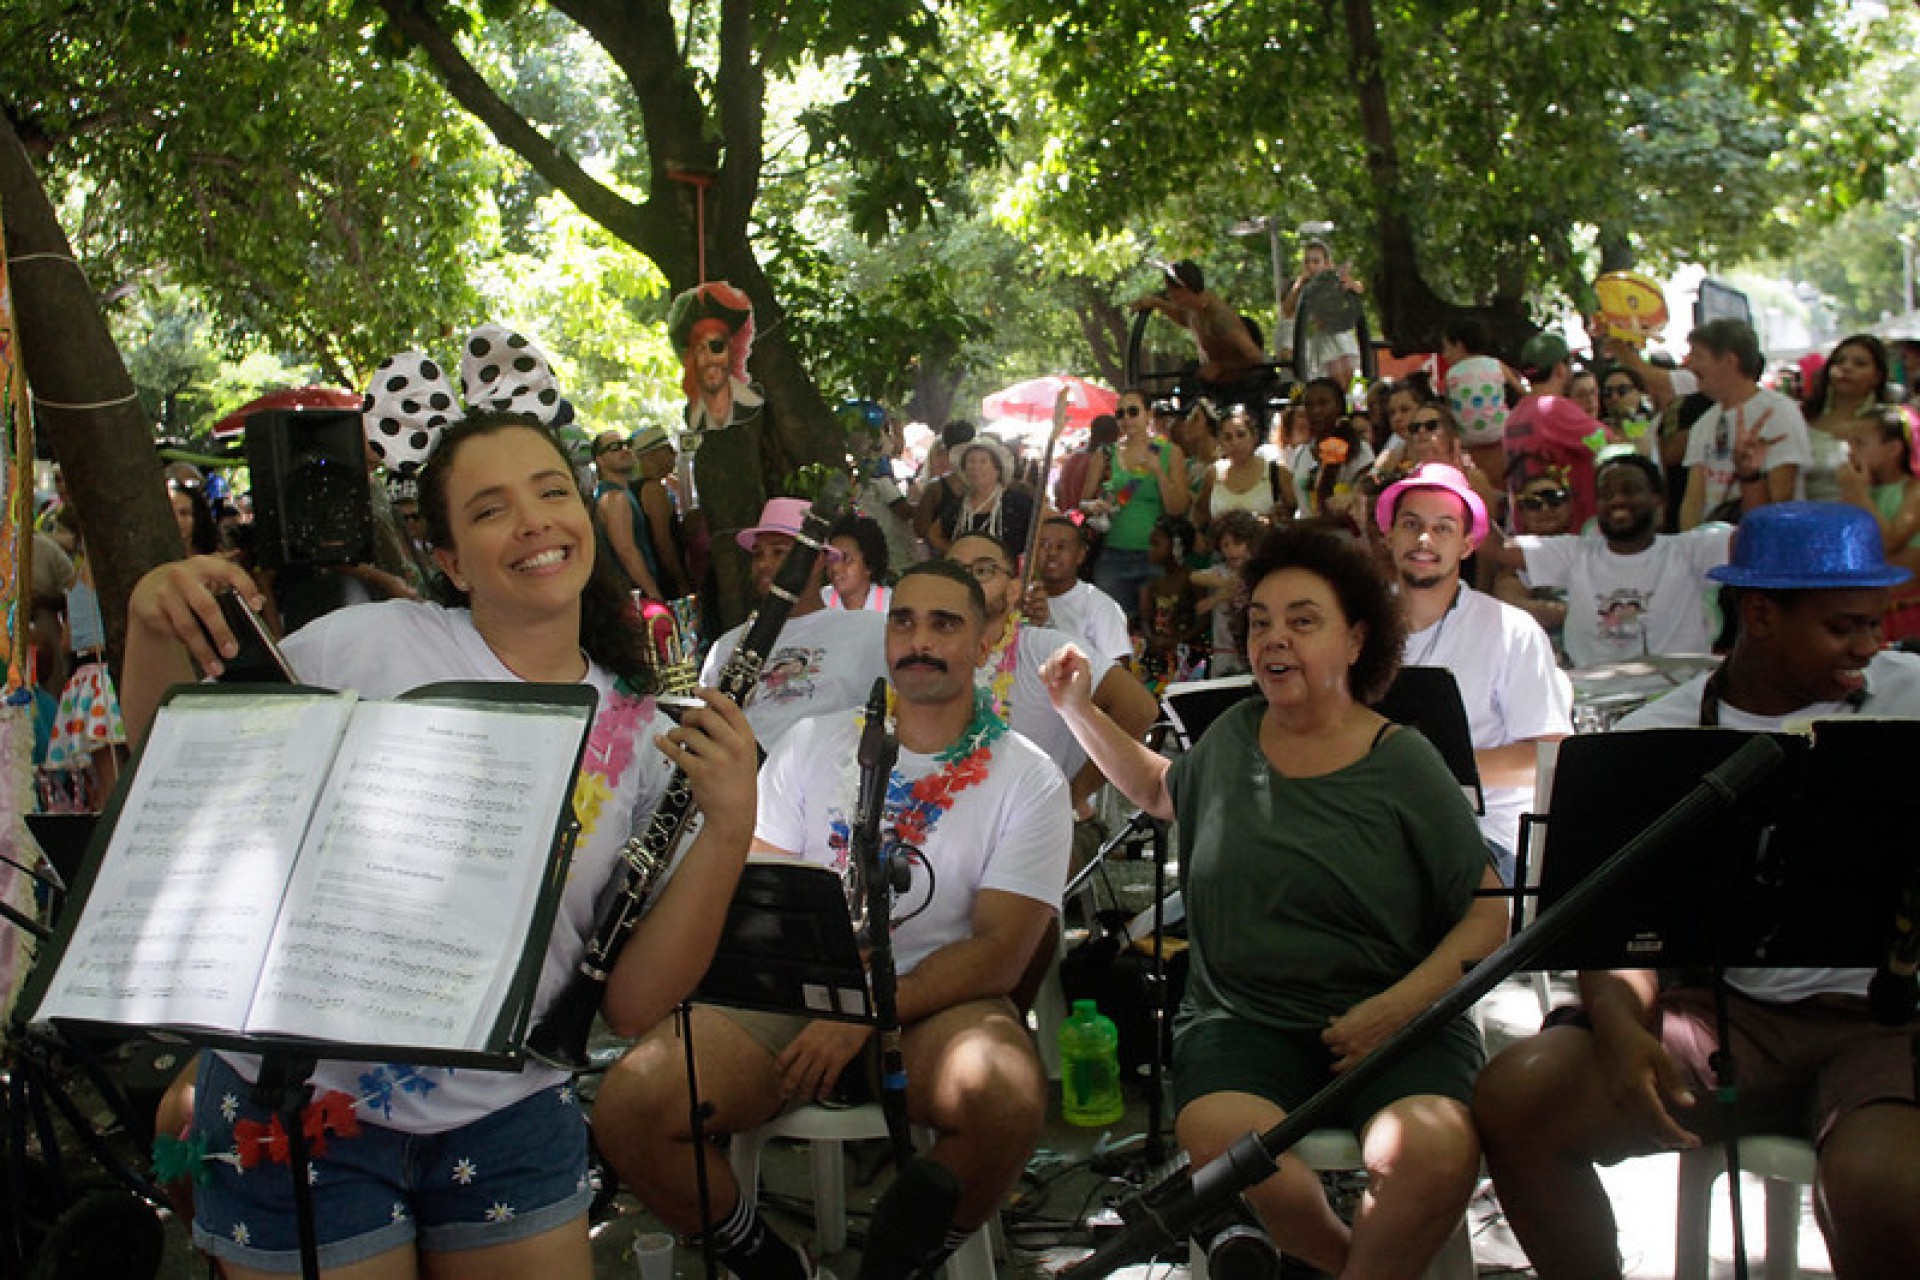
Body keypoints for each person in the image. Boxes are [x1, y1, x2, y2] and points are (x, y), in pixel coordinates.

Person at [121, 410, 758, 1279]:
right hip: (303, 1102)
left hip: (508, 1114)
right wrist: (152, 618)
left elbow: (634, 1006)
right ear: (449, 560)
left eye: (551, 492)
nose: (534, 522)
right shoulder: (368, 643)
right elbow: (179, 765)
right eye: (490, 509)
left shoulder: (644, 727)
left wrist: (729, 825)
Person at [1040, 525, 1507, 1280]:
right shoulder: (1231, 738)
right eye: (1259, 621)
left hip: (1398, 1022)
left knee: (1432, 1145)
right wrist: (1074, 710)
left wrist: (1399, 1008)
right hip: (1244, 1021)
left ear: (1357, 640)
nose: (1273, 639)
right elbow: (1163, 790)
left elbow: (1491, 913)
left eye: (1302, 619)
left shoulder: (1403, 760)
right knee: (1223, 1138)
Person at [1473, 501, 1920, 1280]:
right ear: (1759, 614)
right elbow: (1614, 926)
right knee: (1519, 1095)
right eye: (1844, 627)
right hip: (1729, 1019)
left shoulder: (1913, 698)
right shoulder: (1660, 733)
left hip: (1887, 1026)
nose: (1869, 646)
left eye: (1876, 624)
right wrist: (1620, 1030)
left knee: (1884, 1188)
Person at [595, 560, 1072, 1280]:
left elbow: (1002, 954)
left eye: (945, 623)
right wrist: (823, 998)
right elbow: (763, 896)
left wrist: (865, 1012)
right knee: (629, 1107)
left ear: (986, 640)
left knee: (1004, 1099)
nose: (919, 639)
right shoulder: (811, 743)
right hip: (795, 998)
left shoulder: (1027, 775)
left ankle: (894, 1264)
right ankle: (771, 1265)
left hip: (937, 1002)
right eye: (903, 620)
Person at [1378, 463, 1572, 881]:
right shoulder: (1356, 632)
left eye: (1443, 528)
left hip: (1484, 837)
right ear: (1389, 535)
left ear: (1467, 545)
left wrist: (1429, 770)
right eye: (1411, 524)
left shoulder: (1511, 631)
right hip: (1377, 828)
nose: (1424, 539)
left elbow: (1549, 757)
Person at [947, 533, 1159, 816]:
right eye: (955, 570)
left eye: (984, 570)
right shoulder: (926, 654)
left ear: (1013, 590)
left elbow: (1139, 708)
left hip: (1034, 823)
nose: (968, 581)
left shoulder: (1043, 648)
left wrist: (1074, 794)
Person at [1485, 452, 1732, 668]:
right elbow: (1497, 547)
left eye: (1630, 490)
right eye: (1606, 494)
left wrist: (1753, 478)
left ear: (1658, 500)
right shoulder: (1576, 553)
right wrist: (1459, 484)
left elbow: (1761, 542)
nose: (1616, 500)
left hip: (1674, 702)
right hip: (1593, 703)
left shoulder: (1690, 551)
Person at [702, 498, 887, 752]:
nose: (764, 564)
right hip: (743, 782)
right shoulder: (727, 645)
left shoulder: (869, 630)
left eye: (780, 552)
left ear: (819, 560)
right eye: (758, 554)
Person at [1678, 318, 1813, 529]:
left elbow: (1782, 501)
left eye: (1698, 356)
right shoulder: (1704, 423)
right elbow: (1693, 501)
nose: (1689, 365)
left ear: (1730, 361)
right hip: (1712, 549)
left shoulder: (1778, 413)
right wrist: (1690, 546)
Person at [1082, 388, 1191, 624]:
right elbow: (1083, 503)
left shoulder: (1170, 452)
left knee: (1158, 628)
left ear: (1148, 414)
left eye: (1133, 412)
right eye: (1120, 414)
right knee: (1109, 627)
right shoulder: (1105, 454)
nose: (1126, 419)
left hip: (1157, 558)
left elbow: (1177, 509)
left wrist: (1159, 472)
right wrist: (1096, 506)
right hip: (1113, 556)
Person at [1504, 333, 1607, 532]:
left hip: (1531, 533)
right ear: (1560, 369)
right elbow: (1613, 446)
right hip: (1569, 537)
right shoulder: (1554, 409)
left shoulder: (1514, 416)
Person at [1131, 259, 1270, 403]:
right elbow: (1183, 318)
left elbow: (1256, 357)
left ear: (1183, 289)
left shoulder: (1219, 318)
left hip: (1238, 388)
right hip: (1213, 382)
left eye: (1171, 290)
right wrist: (1157, 303)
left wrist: (1221, 367)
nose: (1169, 294)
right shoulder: (1192, 310)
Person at [1023, 515, 1131, 666]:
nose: (1052, 553)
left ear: (1080, 555)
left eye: (1061, 547)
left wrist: (1047, 623)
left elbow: (1119, 671)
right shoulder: (1021, 600)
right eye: (1043, 545)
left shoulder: (1101, 606)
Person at [1803, 333, 1894, 503]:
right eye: (1839, 361)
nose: (1846, 367)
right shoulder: (1804, 419)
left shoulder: (1888, 425)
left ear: (1877, 377)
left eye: (1859, 364)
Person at [672, 281, 763, 439]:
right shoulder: (692, 416)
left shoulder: (753, 403)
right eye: (700, 350)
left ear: (732, 351)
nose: (709, 360)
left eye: (716, 347)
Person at [592, 431, 669, 600]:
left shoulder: (622, 493)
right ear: (600, 460)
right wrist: (654, 593)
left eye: (627, 444)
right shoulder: (614, 498)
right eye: (614, 447)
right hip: (632, 593)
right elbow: (626, 551)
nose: (625, 450)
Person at [1281, 238, 1367, 389]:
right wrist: (1298, 285)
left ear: (1326, 263)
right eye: (1307, 262)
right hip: (1323, 337)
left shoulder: (1335, 280)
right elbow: (1287, 310)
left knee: (1348, 376)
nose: (1311, 266)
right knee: (1334, 378)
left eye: (1316, 261)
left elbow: (1358, 290)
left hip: (1341, 334)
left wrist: (1352, 285)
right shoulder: (1304, 286)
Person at [939, 436, 1035, 562]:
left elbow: (1044, 525)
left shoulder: (1019, 503)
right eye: (971, 461)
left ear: (997, 470)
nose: (975, 467)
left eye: (983, 461)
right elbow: (933, 533)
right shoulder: (958, 506)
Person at [1201, 402, 1294, 526]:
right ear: (1220, 442)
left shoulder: (1277, 473)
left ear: (1254, 437)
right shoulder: (1213, 474)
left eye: (1241, 435)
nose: (1235, 442)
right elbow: (1199, 513)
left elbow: (1297, 513)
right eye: (1227, 437)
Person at [629, 424, 692, 598]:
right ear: (653, 455)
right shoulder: (653, 490)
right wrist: (681, 580)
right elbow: (663, 541)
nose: (674, 455)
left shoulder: (635, 488)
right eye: (669, 451)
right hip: (664, 577)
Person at [822, 512, 892, 613]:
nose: (835, 567)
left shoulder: (892, 605)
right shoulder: (820, 603)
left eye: (847, 559)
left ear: (869, 565)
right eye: (832, 558)